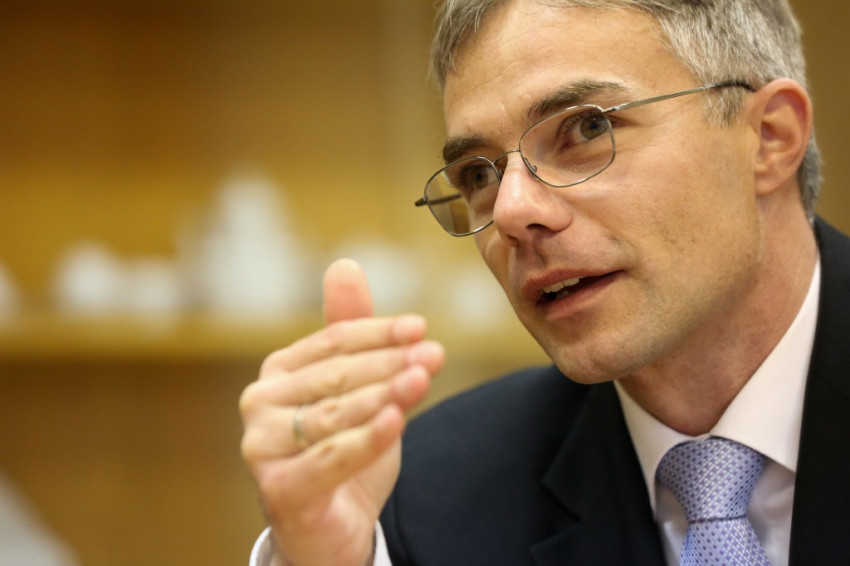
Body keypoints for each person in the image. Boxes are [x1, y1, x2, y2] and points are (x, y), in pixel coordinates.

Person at [240, 0, 850, 564]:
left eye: (586, 129)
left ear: (769, 138)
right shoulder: (426, 498)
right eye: (478, 174)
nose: (509, 212)